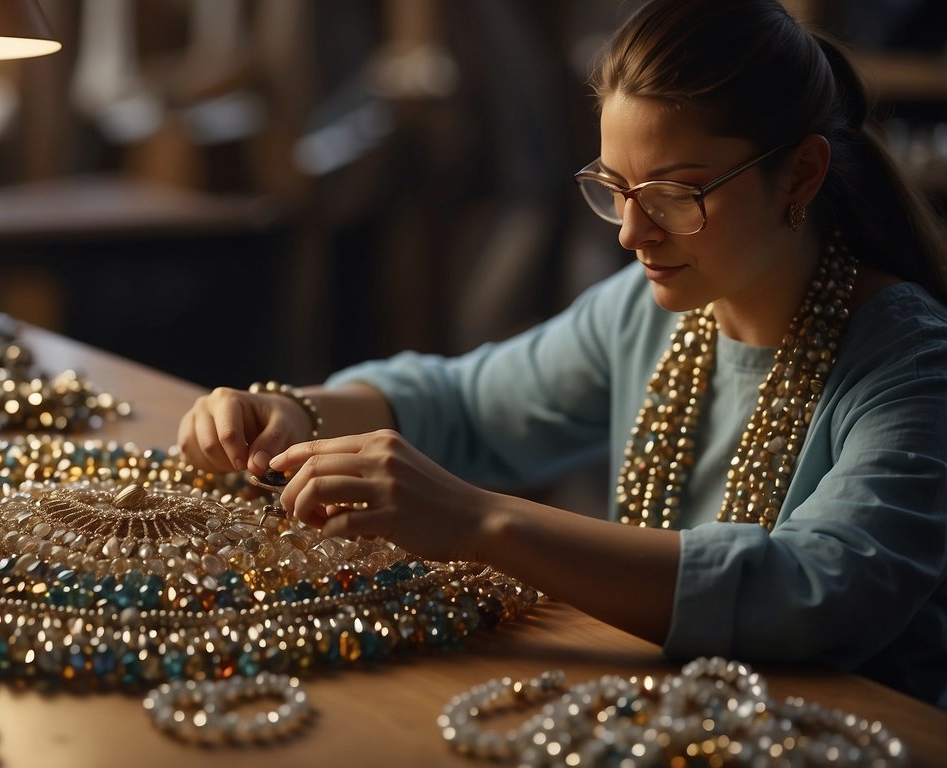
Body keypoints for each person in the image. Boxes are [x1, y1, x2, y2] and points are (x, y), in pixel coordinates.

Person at [177, 0, 947, 709]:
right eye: (615, 186)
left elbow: (817, 590)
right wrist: (288, 409)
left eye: (678, 194)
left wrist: (480, 523)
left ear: (802, 173)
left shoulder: (911, 364)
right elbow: (465, 402)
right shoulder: (648, 312)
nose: (631, 233)